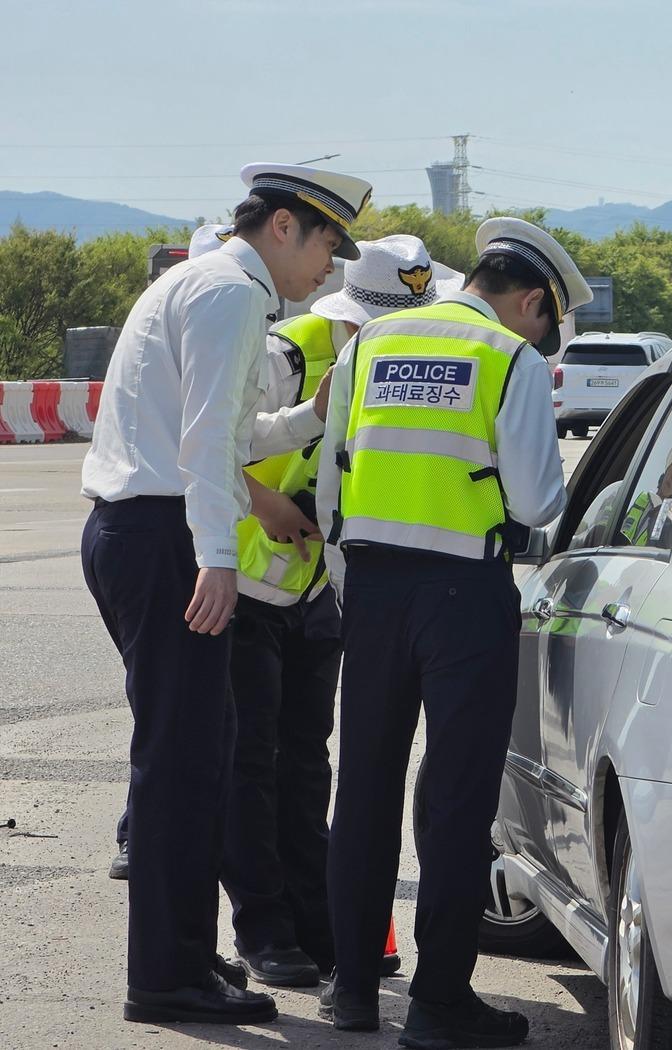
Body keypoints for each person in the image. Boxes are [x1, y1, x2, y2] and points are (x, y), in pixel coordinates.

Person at [81, 162, 370, 1025]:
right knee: (183, 765)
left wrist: (314, 415)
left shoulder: (210, 284)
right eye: (326, 244)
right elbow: (206, 445)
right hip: (163, 537)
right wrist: (215, 557)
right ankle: (165, 977)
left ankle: (177, 950)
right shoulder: (233, 295)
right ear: (283, 226)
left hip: (145, 531)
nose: (331, 269)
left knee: (197, 754)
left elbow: (236, 434)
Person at [316, 217, 592, 1047]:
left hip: (368, 586)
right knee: (456, 797)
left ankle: (353, 989)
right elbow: (540, 502)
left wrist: (350, 581)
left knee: (362, 788)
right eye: (546, 320)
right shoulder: (508, 359)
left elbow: (335, 470)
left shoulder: (370, 344)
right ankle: (437, 1000)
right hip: (463, 594)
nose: (540, 335)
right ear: (532, 300)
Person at [221, 235, 449, 989]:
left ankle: (323, 926)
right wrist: (268, 504)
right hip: (248, 589)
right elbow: (206, 444)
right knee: (252, 767)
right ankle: (265, 930)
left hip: (320, 591)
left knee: (308, 764)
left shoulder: (410, 365)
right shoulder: (288, 354)